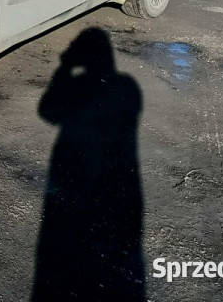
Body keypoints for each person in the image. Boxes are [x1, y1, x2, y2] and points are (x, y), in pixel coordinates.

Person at [32, 27, 145, 301]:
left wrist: (64, 67)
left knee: (66, 256)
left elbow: (47, 111)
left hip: (76, 180)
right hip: (120, 189)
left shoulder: (77, 85)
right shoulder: (128, 87)